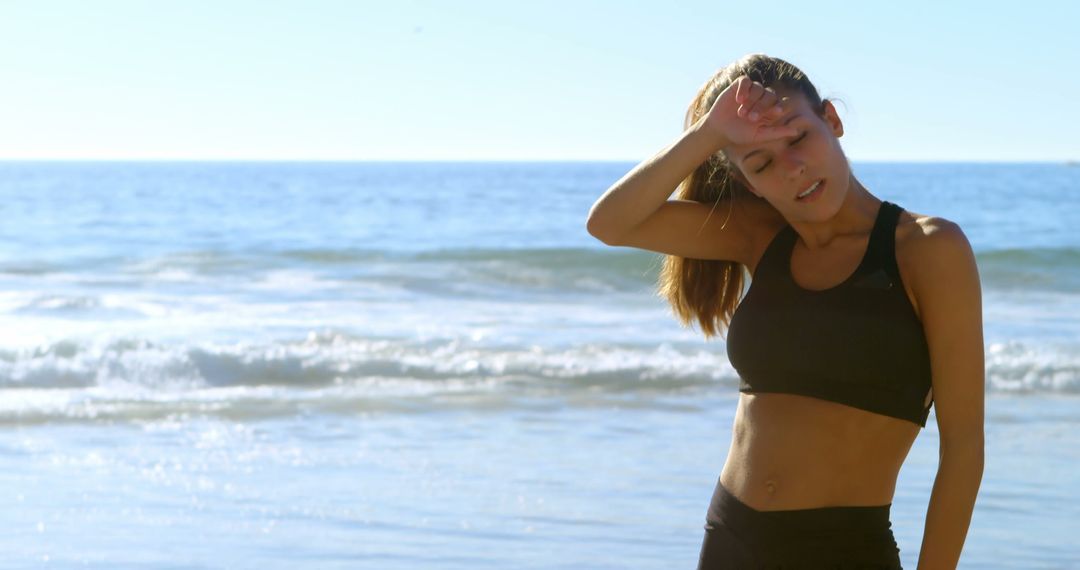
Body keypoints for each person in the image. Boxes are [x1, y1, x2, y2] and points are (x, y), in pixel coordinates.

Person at [585, 53, 984, 568]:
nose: (792, 169)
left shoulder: (927, 248)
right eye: (761, 163)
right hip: (730, 537)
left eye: (798, 138)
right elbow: (610, 225)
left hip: (843, 550)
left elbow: (964, 447)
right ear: (749, 183)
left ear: (832, 120)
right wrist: (710, 135)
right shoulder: (758, 235)